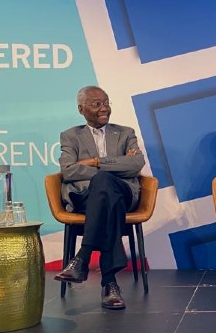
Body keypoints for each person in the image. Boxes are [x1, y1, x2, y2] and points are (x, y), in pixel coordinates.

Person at [54, 85, 145, 310]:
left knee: (105, 183)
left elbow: (136, 164)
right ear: (81, 109)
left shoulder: (125, 133)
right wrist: (116, 164)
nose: (104, 108)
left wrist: (96, 163)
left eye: (106, 103)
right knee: (105, 193)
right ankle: (109, 282)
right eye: (96, 104)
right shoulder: (71, 136)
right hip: (86, 196)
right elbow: (68, 170)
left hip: (124, 193)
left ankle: (82, 257)